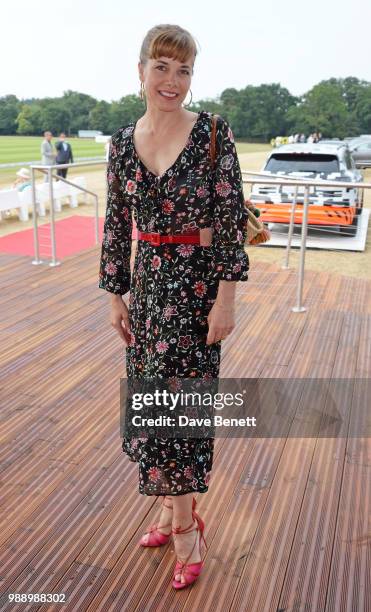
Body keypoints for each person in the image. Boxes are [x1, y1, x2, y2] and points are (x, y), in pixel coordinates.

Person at [98, 24, 249, 590]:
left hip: (196, 290)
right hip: (149, 284)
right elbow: (117, 222)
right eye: (161, 67)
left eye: (183, 70)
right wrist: (116, 293)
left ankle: (187, 530)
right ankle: (170, 507)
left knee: (180, 413)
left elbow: (230, 222)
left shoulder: (213, 133)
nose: (173, 81)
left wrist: (226, 299)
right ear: (141, 73)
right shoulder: (120, 141)